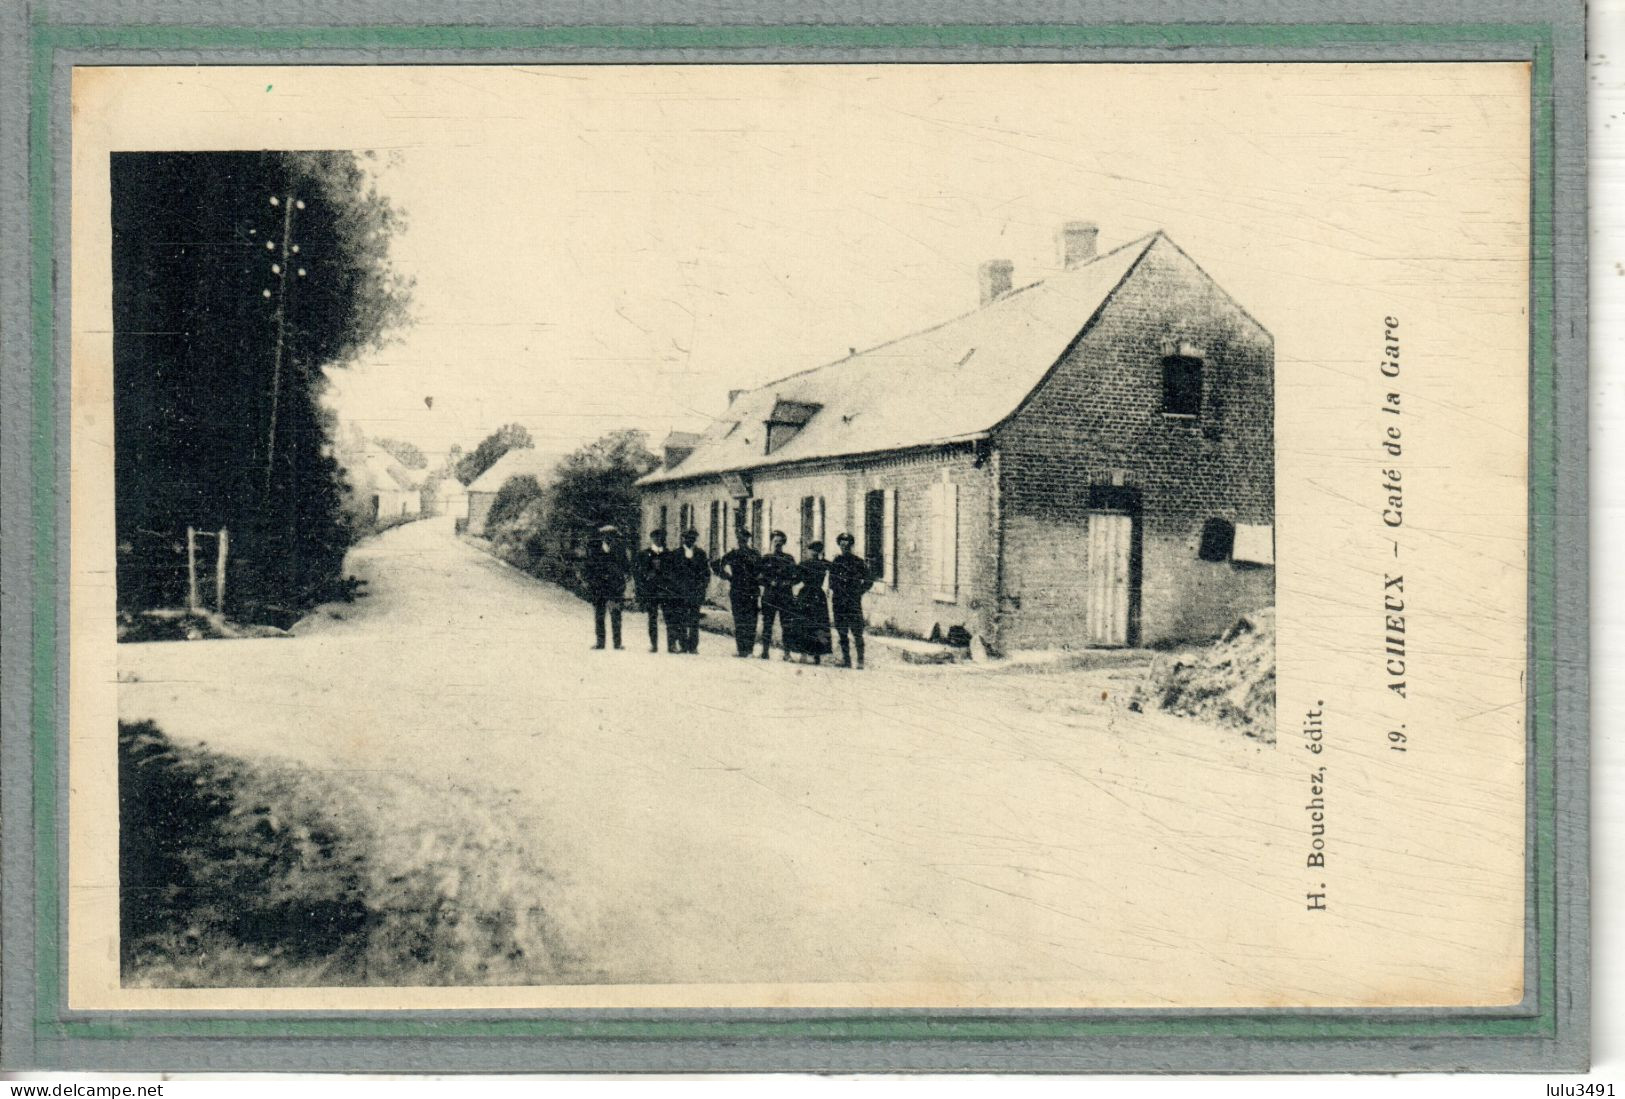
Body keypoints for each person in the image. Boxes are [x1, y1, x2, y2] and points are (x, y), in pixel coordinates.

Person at [711, 527, 763, 657]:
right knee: (739, 619)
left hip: (751, 590)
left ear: (748, 540)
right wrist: (727, 577)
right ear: (738, 540)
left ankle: (749, 649)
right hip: (737, 589)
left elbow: (762, 569)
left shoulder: (755, 554)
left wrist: (758, 578)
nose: (742, 542)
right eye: (740, 540)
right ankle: (741, 649)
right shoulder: (733, 554)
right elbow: (715, 565)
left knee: (751, 620)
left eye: (744, 539)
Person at [829, 531, 873, 669]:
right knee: (842, 632)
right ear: (839, 546)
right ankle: (846, 660)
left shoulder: (858, 562)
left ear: (851, 546)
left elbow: (869, 580)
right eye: (842, 545)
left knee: (857, 632)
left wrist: (859, 591)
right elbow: (831, 582)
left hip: (853, 602)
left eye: (847, 545)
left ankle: (860, 660)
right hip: (839, 602)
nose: (845, 548)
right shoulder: (836, 562)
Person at [583, 523, 630, 650]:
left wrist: (624, 578)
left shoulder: (620, 548)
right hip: (599, 586)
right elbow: (588, 565)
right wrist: (590, 581)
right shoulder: (594, 548)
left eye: (612, 535)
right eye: (606, 535)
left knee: (616, 615)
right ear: (602, 535)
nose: (609, 537)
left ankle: (617, 643)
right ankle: (600, 642)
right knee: (599, 615)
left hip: (615, 587)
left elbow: (626, 565)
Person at [788, 540, 833, 665]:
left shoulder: (808, 564)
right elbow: (795, 579)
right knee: (809, 624)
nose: (813, 553)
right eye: (812, 550)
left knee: (813, 624)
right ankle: (809, 654)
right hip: (813, 595)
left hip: (811, 594)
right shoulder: (819, 564)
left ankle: (812, 654)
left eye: (815, 550)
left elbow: (795, 579)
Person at [756, 529, 798, 661]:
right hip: (770, 595)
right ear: (771, 542)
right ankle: (765, 652)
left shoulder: (789, 559)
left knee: (787, 625)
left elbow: (796, 576)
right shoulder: (766, 558)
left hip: (785, 596)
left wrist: (787, 582)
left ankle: (787, 653)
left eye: (780, 542)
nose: (777, 544)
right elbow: (758, 577)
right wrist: (769, 582)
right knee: (767, 624)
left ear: (783, 543)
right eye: (775, 541)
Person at [634, 528, 676, 653]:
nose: (659, 540)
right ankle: (654, 644)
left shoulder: (669, 554)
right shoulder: (643, 554)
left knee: (670, 618)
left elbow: (674, 572)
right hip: (651, 591)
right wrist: (645, 580)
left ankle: (672, 645)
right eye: (656, 537)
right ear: (652, 539)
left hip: (666, 590)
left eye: (661, 537)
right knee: (652, 618)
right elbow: (639, 573)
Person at [671, 528, 710, 654]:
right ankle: (683, 644)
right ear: (683, 538)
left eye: (693, 538)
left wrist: (702, 586)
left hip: (695, 592)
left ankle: (693, 646)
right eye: (688, 538)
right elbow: (671, 574)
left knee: (694, 619)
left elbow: (706, 573)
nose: (690, 540)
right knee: (681, 618)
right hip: (680, 592)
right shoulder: (676, 554)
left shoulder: (700, 554)